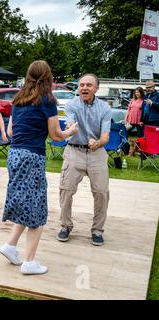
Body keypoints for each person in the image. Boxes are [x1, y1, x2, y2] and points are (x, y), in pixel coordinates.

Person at [0, 61, 78, 275]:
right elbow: (55, 135)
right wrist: (70, 131)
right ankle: (29, 262)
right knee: (37, 209)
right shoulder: (47, 100)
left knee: (26, 202)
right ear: (48, 77)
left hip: (14, 155)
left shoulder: (18, 100)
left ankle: (10, 245)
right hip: (32, 156)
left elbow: (13, 131)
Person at [57, 73, 112, 246]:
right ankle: (65, 226)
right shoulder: (72, 105)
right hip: (74, 151)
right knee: (66, 190)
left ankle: (97, 230)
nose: (84, 88)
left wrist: (98, 143)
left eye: (88, 85)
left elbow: (105, 136)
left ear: (96, 88)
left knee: (102, 193)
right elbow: (71, 124)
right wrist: (70, 129)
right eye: (81, 85)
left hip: (97, 153)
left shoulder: (105, 108)